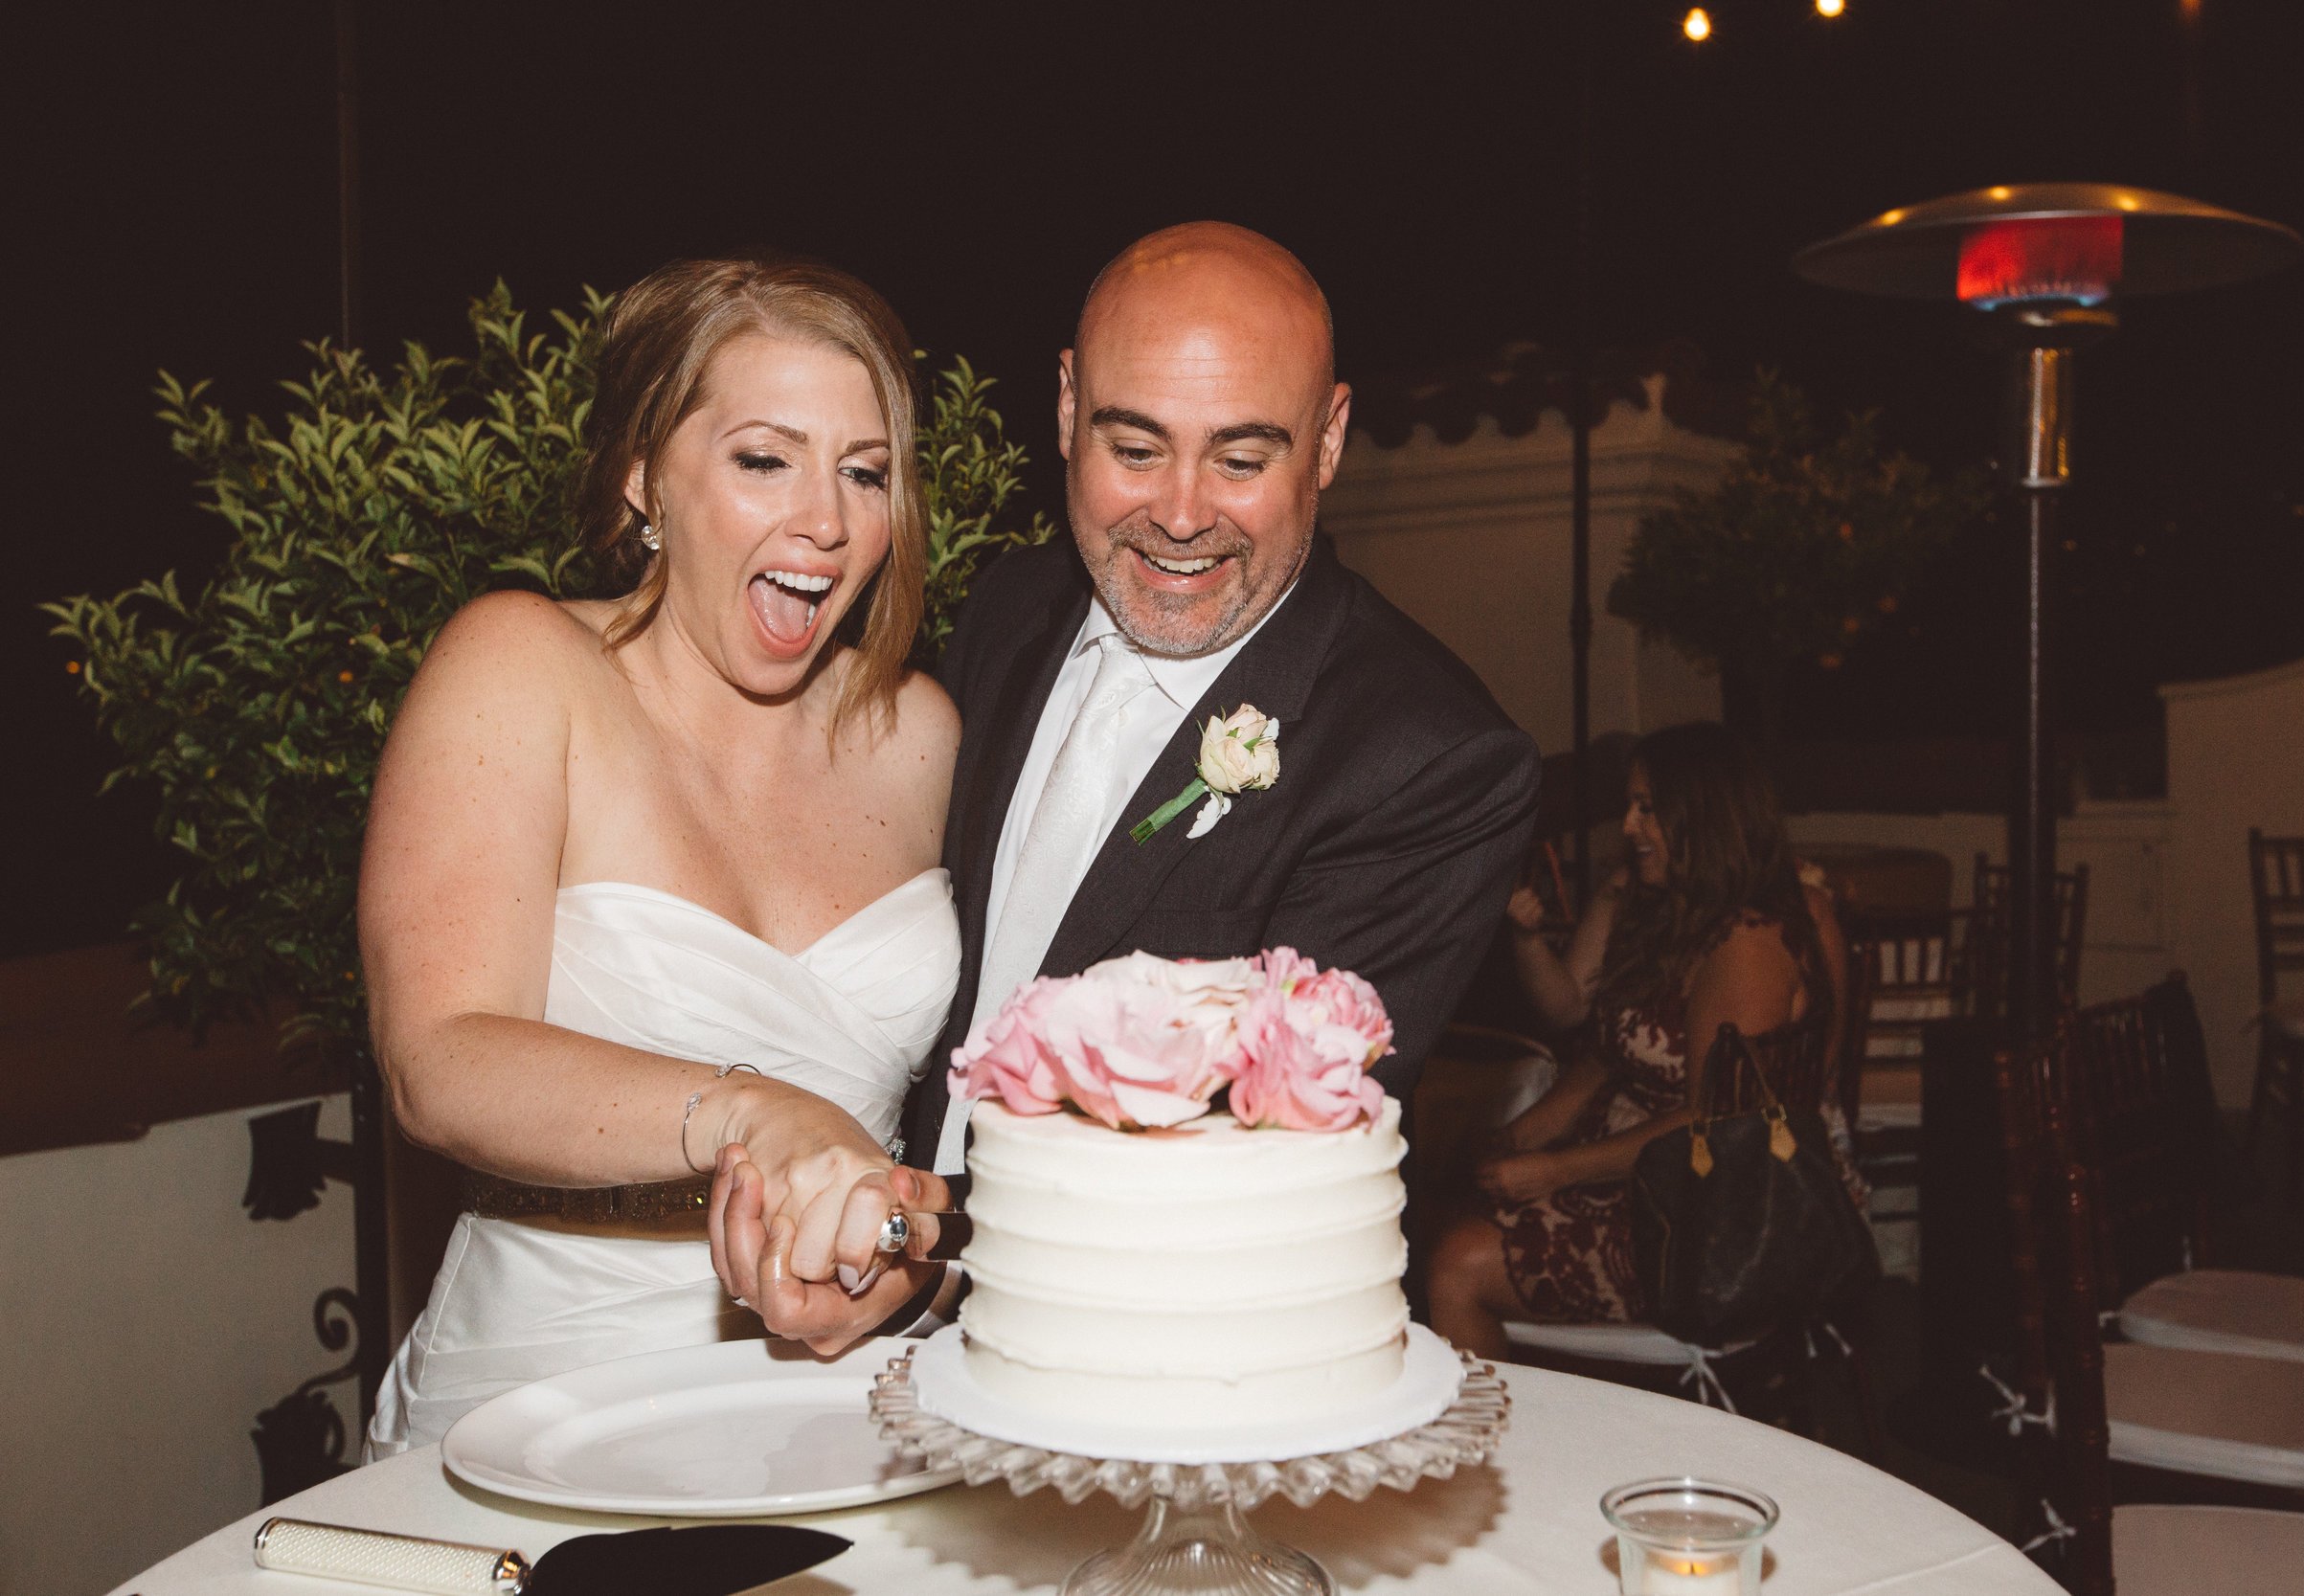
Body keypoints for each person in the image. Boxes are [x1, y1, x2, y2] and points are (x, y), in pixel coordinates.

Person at [712, 221, 1544, 1337]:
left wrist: (915, 1244)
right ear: (1064, 408)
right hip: (870, 1340)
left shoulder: (1431, 760)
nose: (1184, 512)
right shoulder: (1007, 615)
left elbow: (1257, 1164)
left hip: (1171, 1378)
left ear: (1330, 438)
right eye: (1136, 448)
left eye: (1242, 459)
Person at [358, 257, 960, 1453]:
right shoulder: (522, 664)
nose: (827, 521)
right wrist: (758, 1113)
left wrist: (900, 1258)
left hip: (842, 1399)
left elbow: (942, 1130)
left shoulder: (918, 734)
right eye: (762, 458)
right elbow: (438, 1057)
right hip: (543, 1394)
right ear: (644, 475)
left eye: (864, 471)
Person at [1426, 721, 1858, 1360]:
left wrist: (1553, 1169)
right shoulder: (1670, 905)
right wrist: (1523, 1137)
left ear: (1703, 815)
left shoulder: (1749, 940)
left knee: (1456, 1261)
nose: (1627, 827)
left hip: (1714, 1209)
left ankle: (1487, 1454)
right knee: (1432, 1206)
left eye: (1648, 809)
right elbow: (1605, 1051)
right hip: (1643, 1166)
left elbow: (1715, 1119)